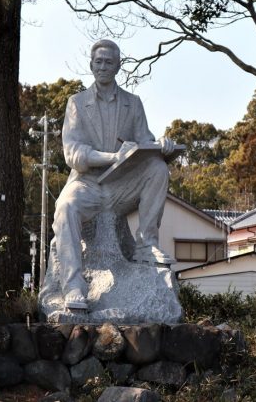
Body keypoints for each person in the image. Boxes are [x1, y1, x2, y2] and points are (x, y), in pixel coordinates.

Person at [52, 39, 176, 310]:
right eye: (99, 62)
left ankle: (146, 245)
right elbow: (73, 154)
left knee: (157, 168)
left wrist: (162, 147)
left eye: (109, 62)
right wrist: (111, 157)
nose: (103, 67)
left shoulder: (134, 104)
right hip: (88, 184)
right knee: (65, 207)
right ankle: (73, 285)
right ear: (91, 65)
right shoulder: (76, 103)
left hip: (121, 187)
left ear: (118, 66)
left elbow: (145, 144)